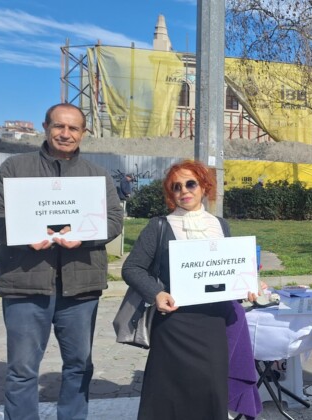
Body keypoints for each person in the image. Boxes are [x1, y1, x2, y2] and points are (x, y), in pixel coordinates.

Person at [0, 103, 124, 419]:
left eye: (73, 128)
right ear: (46, 127)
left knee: (79, 365)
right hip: (24, 283)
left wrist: (84, 235)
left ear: (83, 133)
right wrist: (20, 233)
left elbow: (113, 220)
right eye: (59, 126)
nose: (65, 133)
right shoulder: (16, 168)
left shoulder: (96, 176)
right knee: (22, 369)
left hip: (81, 287)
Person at [121, 160, 261, 420]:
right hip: (174, 324)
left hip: (213, 324)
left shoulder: (220, 225)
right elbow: (132, 268)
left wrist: (248, 285)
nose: (184, 190)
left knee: (210, 392)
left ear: (204, 186)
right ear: (170, 193)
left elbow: (226, 272)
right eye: (176, 187)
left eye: (190, 183)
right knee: (169, 396)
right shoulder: (159, 226)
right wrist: (156, 293)